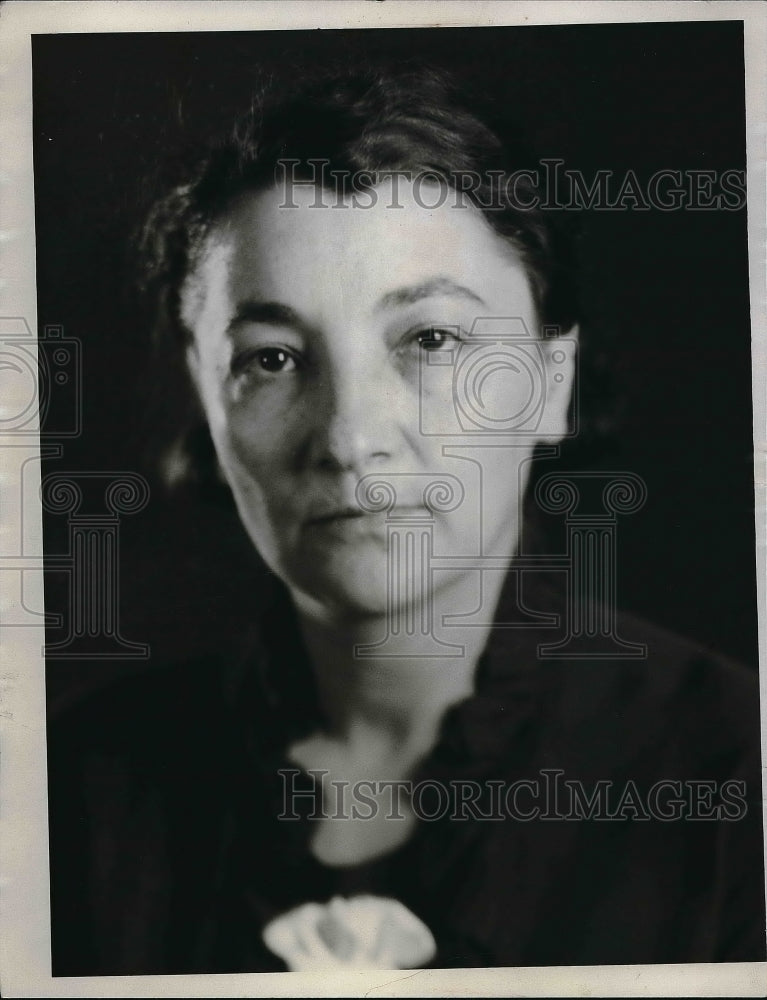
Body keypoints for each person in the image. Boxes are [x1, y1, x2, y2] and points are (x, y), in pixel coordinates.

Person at [47, 65, 765, 974]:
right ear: (206, 393)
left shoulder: (736, 775)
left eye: (430, 340)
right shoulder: (74, 790)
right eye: (271, 358)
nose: (349, 437)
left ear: (550, 386)